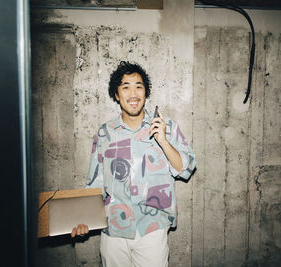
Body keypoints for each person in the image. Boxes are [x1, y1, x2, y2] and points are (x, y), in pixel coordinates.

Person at [71, 61, 196, 267]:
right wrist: (83, 218)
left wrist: (163, 140)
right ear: (116, 95)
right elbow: (95, 183)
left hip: (152, 228)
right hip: (113, 229)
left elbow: (186, 169)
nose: (133, 93)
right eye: (125, 87)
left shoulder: (168, 127)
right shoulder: (105, 133)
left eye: (139, 86)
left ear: (146, 93)